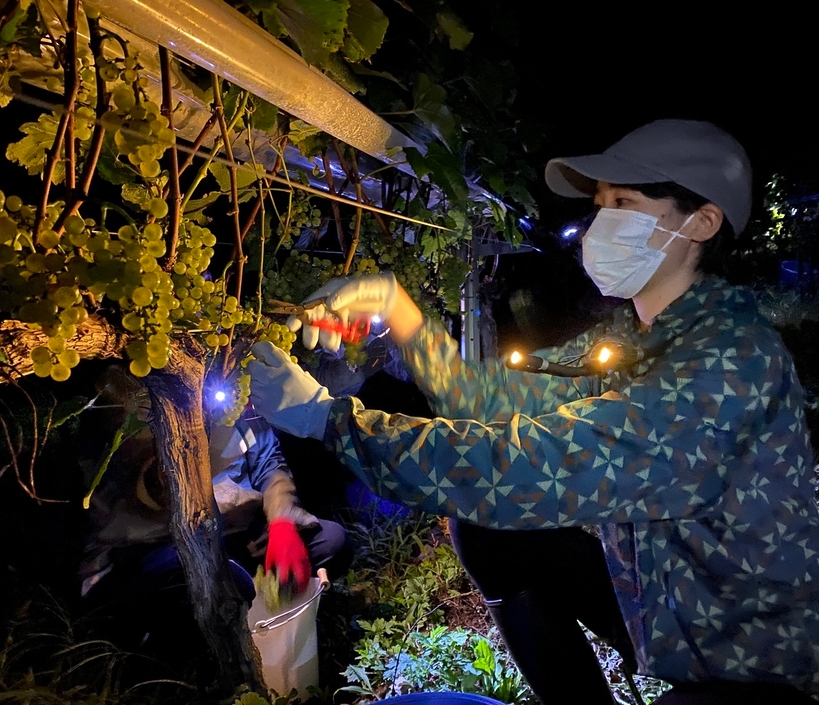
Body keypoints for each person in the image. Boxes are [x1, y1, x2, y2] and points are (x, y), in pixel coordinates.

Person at [247, 120, 819, 704]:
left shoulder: (730, 360)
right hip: (665, 600)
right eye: (601, 205)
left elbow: (529, 464)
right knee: (487, 532)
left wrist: (326, 419)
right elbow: (490, 399)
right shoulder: (639, 336)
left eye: (624, 203)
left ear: (701, 222)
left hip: (754, 660)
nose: (600, 224)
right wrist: (398, 311)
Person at [79, 365, 350, 655]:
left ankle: (251, 611)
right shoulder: (121, 410)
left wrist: (282, 523)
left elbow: (269, 463)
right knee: (223, 583)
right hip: (155, 549)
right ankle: (180, 651)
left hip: (229, 536)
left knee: (330, 540)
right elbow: (130, 507)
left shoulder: (228, 396)